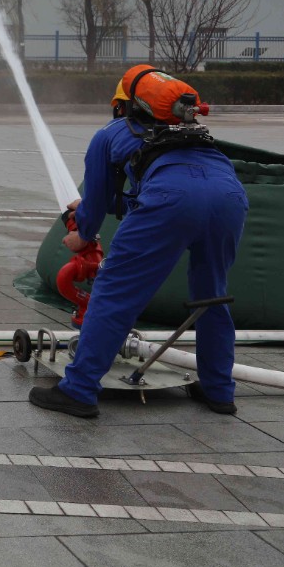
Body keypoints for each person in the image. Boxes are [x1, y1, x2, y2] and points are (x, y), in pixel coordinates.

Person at [30, 65, 249, 419]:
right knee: (211, 295)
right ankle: (218, 389)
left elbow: (101, 201)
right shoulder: (190, 130)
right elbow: (168, 181)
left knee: (114, 292)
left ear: (126, 105)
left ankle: (79, 390)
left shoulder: (113, 132)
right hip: (229, 198)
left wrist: (81, 233)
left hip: (171, 200)